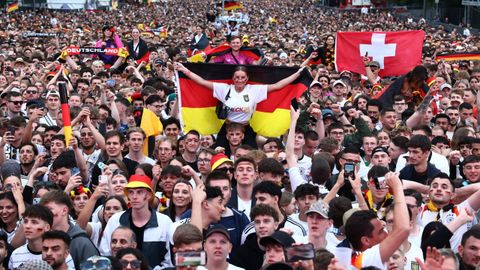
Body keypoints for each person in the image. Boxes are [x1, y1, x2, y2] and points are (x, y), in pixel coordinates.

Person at [174, 62, 305, 150]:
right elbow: (202, 82)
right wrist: (184, 70)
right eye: (237, 77)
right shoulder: (224, 89)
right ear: (233, 78)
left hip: (245, 127)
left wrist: (298, 74)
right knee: (218, 153)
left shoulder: (254, 90)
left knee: (253, 154)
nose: (239, 80)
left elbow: (278, 86)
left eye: (242, 77)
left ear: (247, 78)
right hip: (227, 127)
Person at [99, 175, 172, 269]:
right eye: (131, 192)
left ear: (149, 195)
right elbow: (105, 254)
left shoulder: (165, 222)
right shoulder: (115, 219)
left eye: (139, 192)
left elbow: (169, 260)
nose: (134, 196)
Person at [39, 190, 99, 270]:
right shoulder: (41, 239)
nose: (44, 215)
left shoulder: (81, 243)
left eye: (49, 210)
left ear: (64, 211)